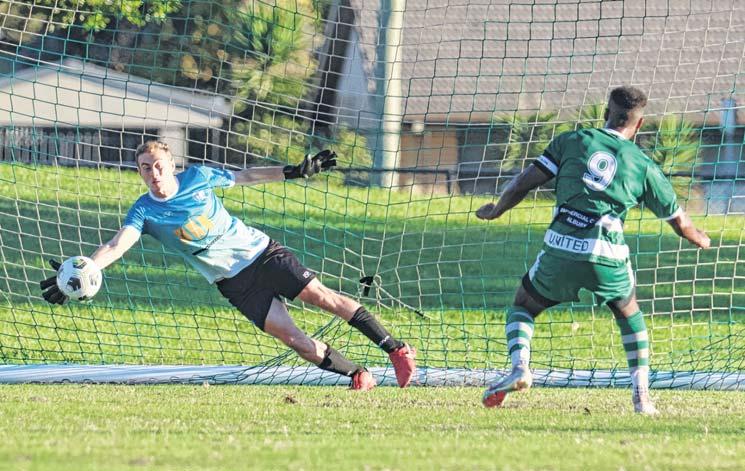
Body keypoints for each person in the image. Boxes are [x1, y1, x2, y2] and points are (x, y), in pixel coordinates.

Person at [39, 141, 416, 390]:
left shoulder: (198, 177)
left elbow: (245, 176)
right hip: (234, 284)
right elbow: (118, 244)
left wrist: (293, 171)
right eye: (145, 168)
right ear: (139, 172)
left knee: (322, 297)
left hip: (262, 254)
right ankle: (357, 374)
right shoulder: (144, 210)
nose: (153, 174)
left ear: (171, 165)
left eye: (158, 166)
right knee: (293, 339)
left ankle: (396, 349)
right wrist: (87, 269)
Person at [475, 86, 710, 414]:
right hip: (606, 254)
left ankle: (520, 367)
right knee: (629, 314)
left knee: (524, 305)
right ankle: (642, 397)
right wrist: (700, 238)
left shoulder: (572, 141)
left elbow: (523, 183)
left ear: (605, 114)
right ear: (639, 125)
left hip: (561, 248)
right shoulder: (643, 165)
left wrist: (497, 209)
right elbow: (681, 223)